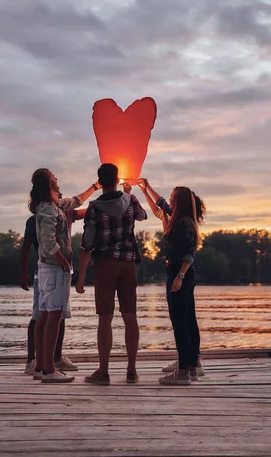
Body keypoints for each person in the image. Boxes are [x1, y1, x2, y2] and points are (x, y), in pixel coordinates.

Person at [76, 163, 147, 385]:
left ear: (100, 182)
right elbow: (143, 216)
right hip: (128, 264)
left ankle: (104, 372)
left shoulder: (94, 208)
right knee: (130, 316)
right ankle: (132, 371)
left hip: (105, 265)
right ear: (117, 179)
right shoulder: (131, 201)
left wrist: (80, 277)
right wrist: (129, 194)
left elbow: (87, 244)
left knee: (105, 319)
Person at [29, 168, 100, 383]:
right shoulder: (50, 209)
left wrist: (95, 187)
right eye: (53, 176)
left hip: (46, 269)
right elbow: (48, 240)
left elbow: (76, 201)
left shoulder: (54, 205)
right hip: (54, 268)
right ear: (49, 182)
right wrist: (64, 261)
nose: (57, 178)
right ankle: (50, 370)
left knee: (43, 315)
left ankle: (41, 367)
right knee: (54, 317)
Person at [139, 179, 206, 385]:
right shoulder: (180, 219)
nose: (169, 199)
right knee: (188, 321)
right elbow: (159, 206)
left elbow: (188, 254)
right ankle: (192, 366)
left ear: (179, 201)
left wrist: (179, 277)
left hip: (180, 273)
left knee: (180, 323)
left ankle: (183, 371)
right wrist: (145, 188)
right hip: (182, 274)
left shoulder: (183, 223)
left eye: (172, 197)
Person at [20, 209, 85, 375]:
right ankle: (32, 360)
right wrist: (23, 272)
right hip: (45, 271)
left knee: (59, 314)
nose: (60, 194)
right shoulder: (34, 220)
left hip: (59, 271)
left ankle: (56, 358)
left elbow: (83, 207)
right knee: (38, 316)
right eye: (57, 190)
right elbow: (26, 247)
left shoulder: (62, 214)